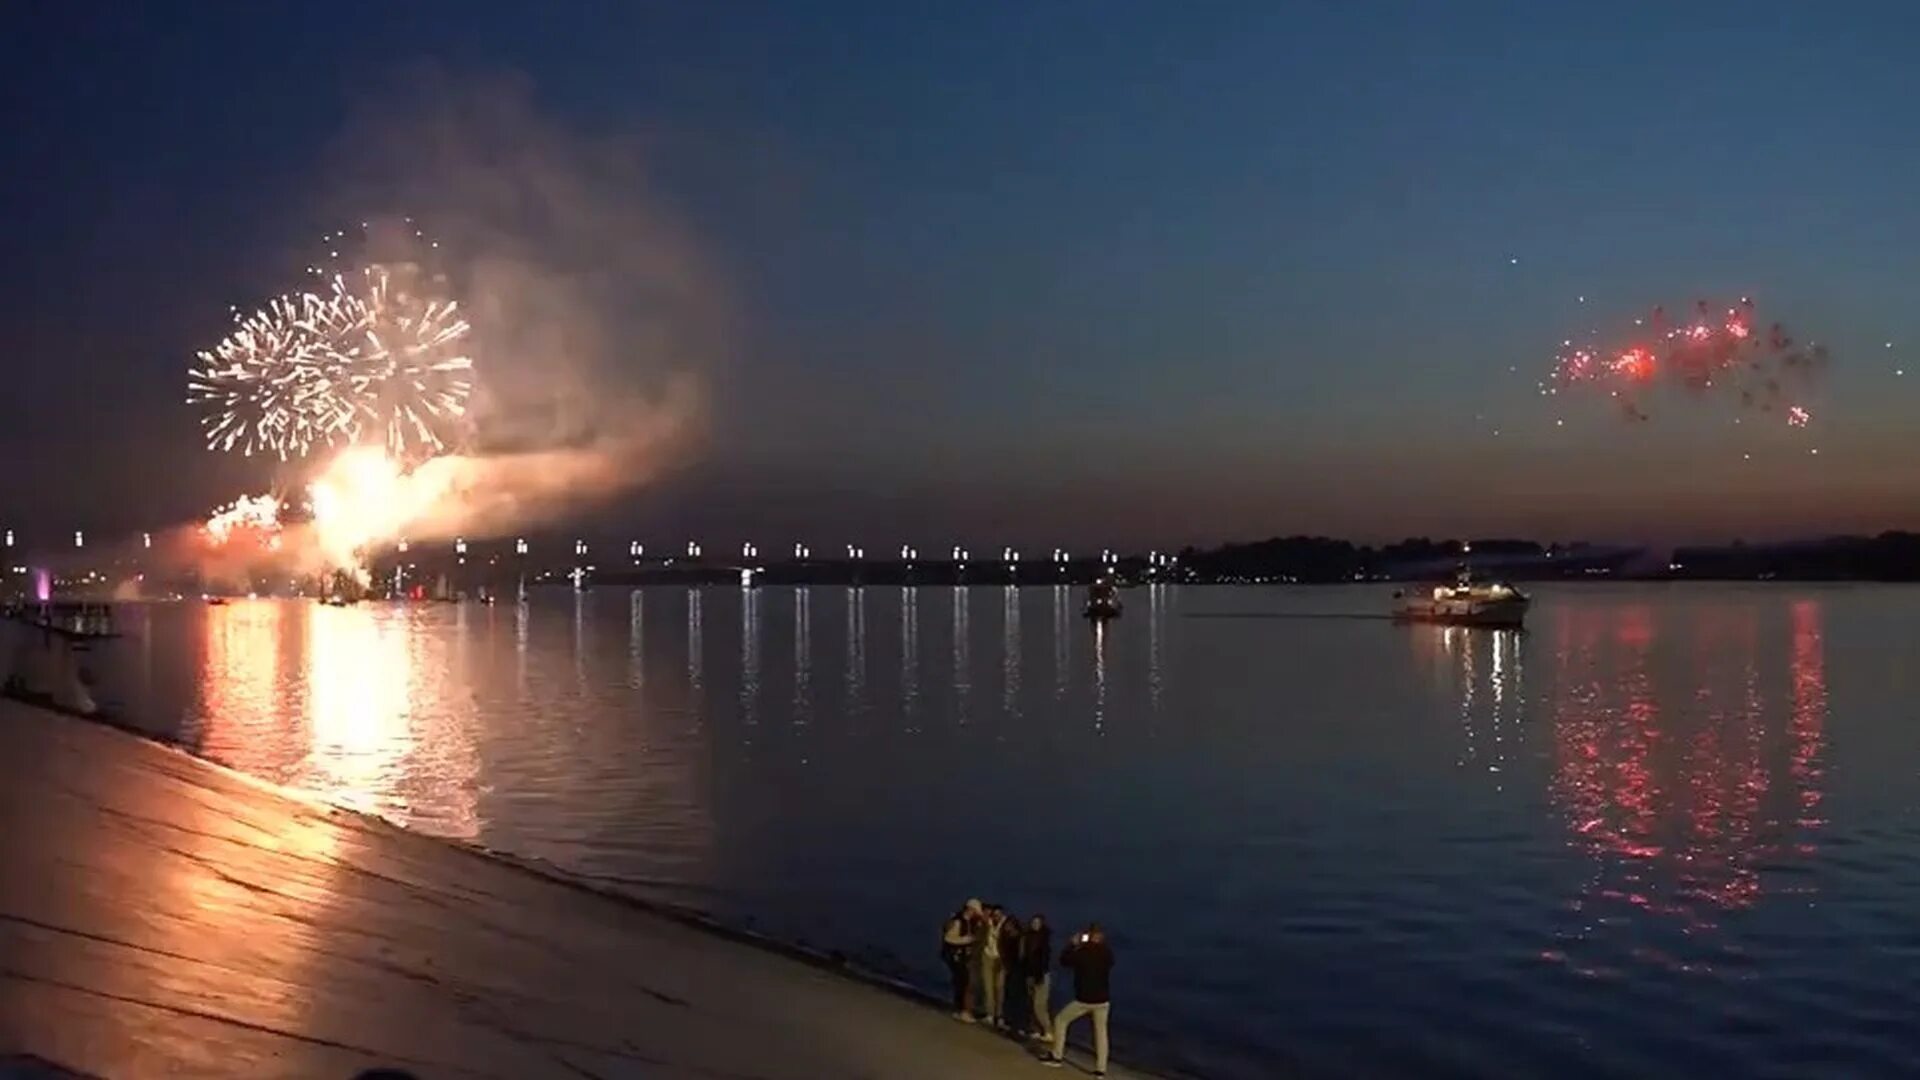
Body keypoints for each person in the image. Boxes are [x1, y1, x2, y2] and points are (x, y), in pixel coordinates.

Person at [1044, 923, 1114, 1076]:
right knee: (1101, 1034)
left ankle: (1057, 1056)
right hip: (1103, 999)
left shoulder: (1083, 951)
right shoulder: (1107, 953)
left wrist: (1072, 945)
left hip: (1084, 998)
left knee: (1060, 1020)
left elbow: (1064, 961)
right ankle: (1101, 1069)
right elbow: (1109, 962)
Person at [941, 900, 980, 1021]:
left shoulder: (969, 922)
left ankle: (959, 1009)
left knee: (961, 982)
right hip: (955, 955)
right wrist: (965, 940)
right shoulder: (958, 921)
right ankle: (962, 1010)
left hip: (962, 956)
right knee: (962, 981)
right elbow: (949, 938)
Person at [1018, 913, 1054, 1042]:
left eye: (1037, 923)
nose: (1035, 925)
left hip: (1041, 975)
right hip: (1030, 975)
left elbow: (1043, 961)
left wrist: (1038, 976)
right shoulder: (1028, 938)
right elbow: (1025, 958)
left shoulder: (1044, 941)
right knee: (1031, 1003)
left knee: (1039, 1005)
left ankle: (1048, 1030)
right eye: (1033, 922)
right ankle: (1037, 1029)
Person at [977, 903, 1010, 1028]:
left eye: (998, 915)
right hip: (988, 956)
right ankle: (990, 1014)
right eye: (994, 915)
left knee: (1000, 988)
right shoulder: (987, 923)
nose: (996, 917)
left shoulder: (1007, 925)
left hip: (1001, 959)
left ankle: (1000, 1016)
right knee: (988, 987)